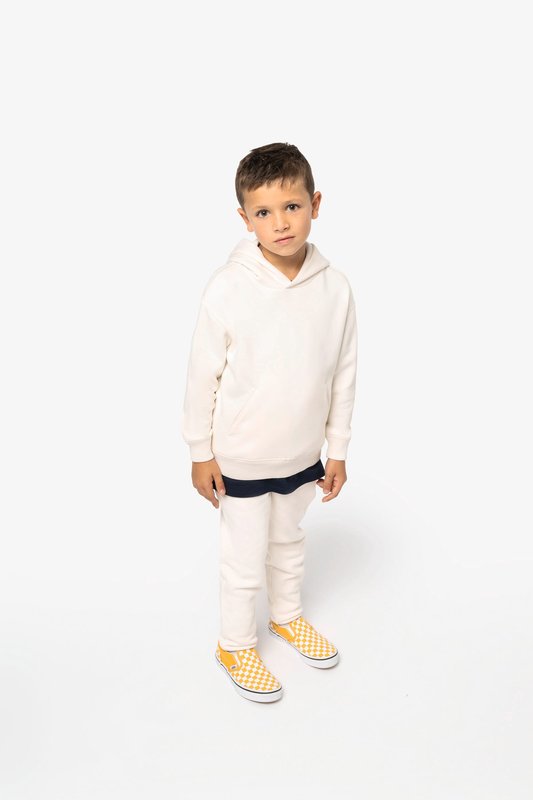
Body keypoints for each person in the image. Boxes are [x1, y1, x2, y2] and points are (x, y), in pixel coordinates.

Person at [181, 142, 358, 703]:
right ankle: (235, 644)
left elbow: (343, 374)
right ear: (245, 218)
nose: (280, 223)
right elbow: (201, 376)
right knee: (243, 558)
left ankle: (286, 616)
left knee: (289, 542)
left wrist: (337, 448)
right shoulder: (228, 286)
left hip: (302, 454)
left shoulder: (335, 288)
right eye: (264, 212)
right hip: (241, 455)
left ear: (315, 204)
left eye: (292, 207)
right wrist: (200, 451)